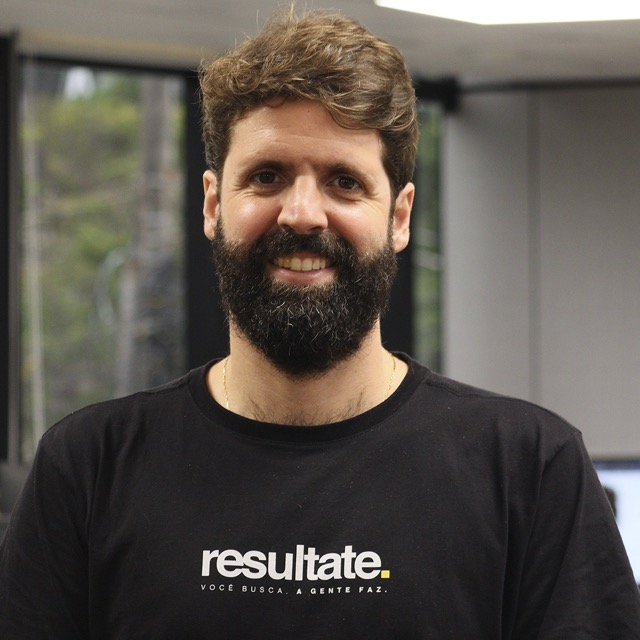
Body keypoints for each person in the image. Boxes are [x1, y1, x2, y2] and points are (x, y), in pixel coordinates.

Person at [1, 7, 640, 639]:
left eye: (344, 182)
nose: (302, 214)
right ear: (213, 204)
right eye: (267, 177)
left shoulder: (528, 468)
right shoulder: (90, 467)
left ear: (399, 217)